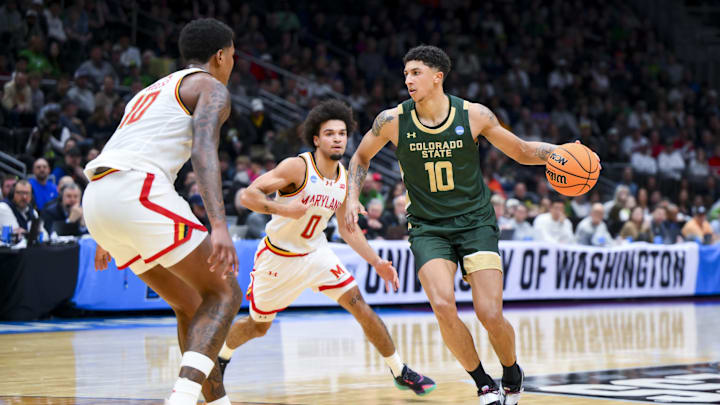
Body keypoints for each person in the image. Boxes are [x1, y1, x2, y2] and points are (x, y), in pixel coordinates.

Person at [345, 45, 593, 404]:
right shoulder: (392, 121)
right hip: (428, 226)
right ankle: (482, 382)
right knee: (443, 306)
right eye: (405, 74)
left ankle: (511, 370)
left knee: (490, 314)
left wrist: (557, 151)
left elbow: (521, 150)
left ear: (437, 77)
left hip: (475, 223)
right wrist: (353, 196)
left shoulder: (474, 115)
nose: (408, 80)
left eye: (416, 73)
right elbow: (361, 156)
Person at [219, 100, 435, 396]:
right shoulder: (297, 166)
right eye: (330, 133)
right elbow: (248, 196)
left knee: (360, 305)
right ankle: (219, 358)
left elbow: (348, 228)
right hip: (279, 257)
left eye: (342, 133)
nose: (337, 138)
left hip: (316, 253)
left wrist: (377, 262)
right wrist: (284, 210)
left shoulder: (345, 178)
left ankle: (400, 370)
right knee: (258, 326)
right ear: (317, 139)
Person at [81, 19, 242, 405]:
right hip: (137, 190)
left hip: (100, 196)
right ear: (220, 56)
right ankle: (181, 399)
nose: (232, 65)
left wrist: (106, 233)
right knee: (226, 293)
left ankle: (216, 402)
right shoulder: (211, 87)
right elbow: (204, 149)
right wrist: (217, 224)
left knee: (191, 305)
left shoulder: (147, 93)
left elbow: (119, 148)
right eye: (233, 57)